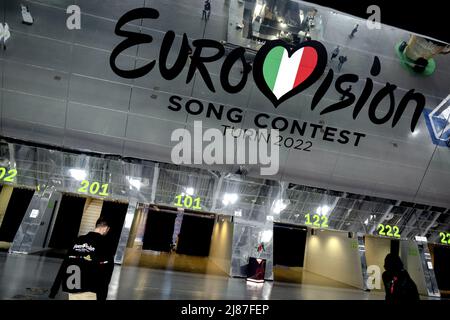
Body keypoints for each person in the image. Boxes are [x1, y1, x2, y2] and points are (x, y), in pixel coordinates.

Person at [49, 217, 114, 300]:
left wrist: (54, 290)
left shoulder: (78, 240)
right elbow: (107, 273)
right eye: (108, 230)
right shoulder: (105, 244)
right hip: (89, 288)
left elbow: (65, 264)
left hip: (72, 286)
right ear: (105, 228)